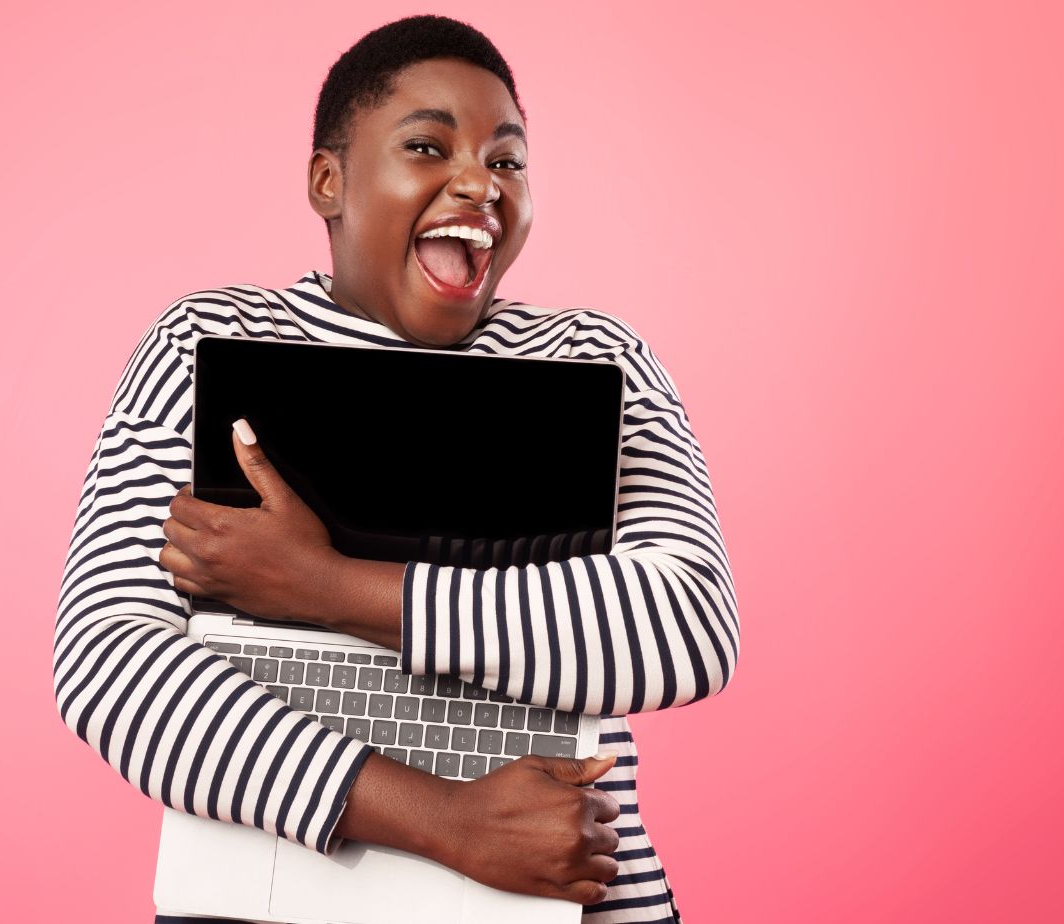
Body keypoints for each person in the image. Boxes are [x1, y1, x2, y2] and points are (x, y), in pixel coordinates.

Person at [53, 15, 739, 924]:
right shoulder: (206, 343)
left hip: (567, 888)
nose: (479, 185)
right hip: (273, 888)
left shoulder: (593, 357)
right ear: (328, 181)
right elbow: (109, 661)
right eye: (428, 146)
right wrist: (441, 819)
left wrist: (327, 586)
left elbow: (685, 625)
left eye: (508, 161)